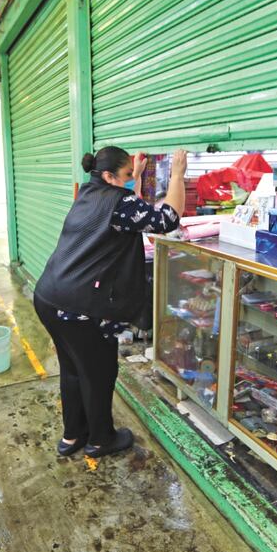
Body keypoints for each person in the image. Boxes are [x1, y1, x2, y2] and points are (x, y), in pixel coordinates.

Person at [34, 146, 187, 458]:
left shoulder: (88, 194)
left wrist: (138, 176)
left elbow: (128, 210)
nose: (131, 181)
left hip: (48, 297)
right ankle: (102, 439)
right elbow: (167, 219)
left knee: (73, 369)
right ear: (109, 176)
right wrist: (177, 176)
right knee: (99, 371)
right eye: (127, 175)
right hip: (77, 306)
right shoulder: (119, 202)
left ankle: (73, 436)